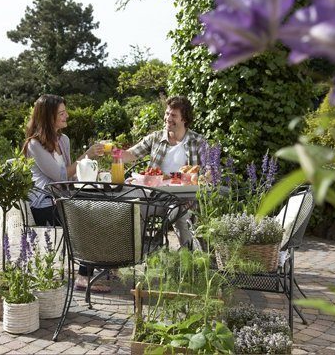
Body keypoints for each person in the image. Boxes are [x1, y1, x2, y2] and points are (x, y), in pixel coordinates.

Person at [22, 94, 109, 292]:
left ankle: (101, 262)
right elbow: (59, 175)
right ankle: (83, 276)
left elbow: (70, 178)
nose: (67, 116)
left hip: (63, 199)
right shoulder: (34, 145)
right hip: (44, 204)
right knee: (88, 217)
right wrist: (87, 155)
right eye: (61, 113)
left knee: (102, 208)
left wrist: (92, 171)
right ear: (48, 117)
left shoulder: (64, 140)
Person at [122, 96, 205, 248]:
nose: (168, 118)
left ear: (184, 118)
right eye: (167, 114)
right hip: (155, 198)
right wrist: (111, 153)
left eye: (173, 115)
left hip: (183, 200)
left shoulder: (197, 141)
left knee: (182, 216)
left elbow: (209, 170)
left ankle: (188, 258)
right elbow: (131, 154)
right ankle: (137, 253)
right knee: (134, 210)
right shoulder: (156, 138)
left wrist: (207, 175)